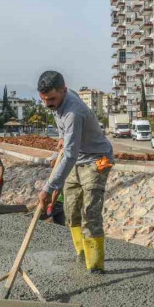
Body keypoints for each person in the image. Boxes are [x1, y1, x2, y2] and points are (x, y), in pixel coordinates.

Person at [35, 71, 114, 274]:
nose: (47, 104)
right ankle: (82, 253)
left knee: (90, 213)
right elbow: (68, 146)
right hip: (77, 158)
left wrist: (49, 187)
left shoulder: (73, 112)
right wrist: (62, 135)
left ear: (63, 90)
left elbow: (68, 155)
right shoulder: (59, 100)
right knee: (71, 211)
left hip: (98, 160)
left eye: (51, 99)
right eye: (43, 100)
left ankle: (95, 266)